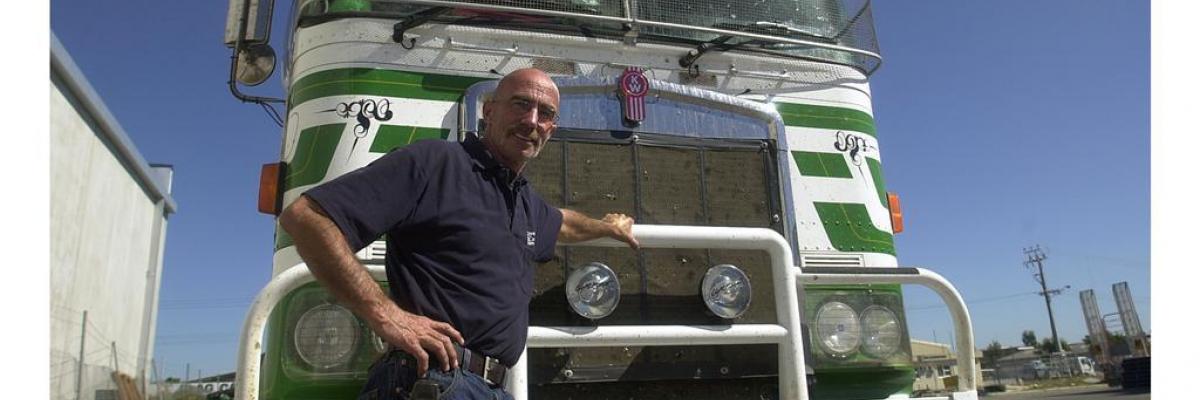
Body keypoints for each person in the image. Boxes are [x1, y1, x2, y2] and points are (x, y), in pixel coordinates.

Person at [279, 68, 639, 400]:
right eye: (520, 104)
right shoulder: (435, 163)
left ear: (551, 130)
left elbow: (564, 223)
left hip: (490, 388)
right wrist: (387, 317)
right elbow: (307, 217)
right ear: (489, 112)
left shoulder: (523, 200)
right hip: (431, 381)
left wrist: (608, 226)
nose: (532, 120)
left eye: (544, 114)